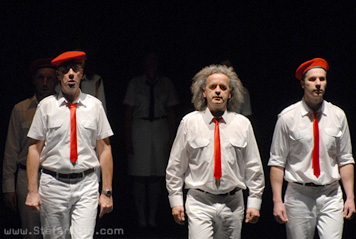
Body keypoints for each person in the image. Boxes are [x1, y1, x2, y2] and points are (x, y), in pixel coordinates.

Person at [166, 64, 265, 238]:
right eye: (213, 87)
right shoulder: (189, 122)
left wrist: (255, 202)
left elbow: (253, 165)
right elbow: (175, 165)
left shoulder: (242, 124)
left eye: (223, 88)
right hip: (199, 201)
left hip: (233, 202)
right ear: (204, 92)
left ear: (230, 93)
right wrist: (175, 201)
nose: (218, 91)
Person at [25, 51, 114, 238]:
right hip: (53, 184)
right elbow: (34, 148)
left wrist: (107, 191)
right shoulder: (47, 106)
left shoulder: (94, 106)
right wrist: (32, 191)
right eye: (65, 71)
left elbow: (105, 148)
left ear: (81, 74)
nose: (71, 74)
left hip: (86, 184)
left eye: (75, 69)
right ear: (58, 76)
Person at [269, 58, 355, 239]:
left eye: (322, 79)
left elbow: (345, 158)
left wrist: (350, 197)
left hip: (331, 193)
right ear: (302, 83)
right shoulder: (287, 117)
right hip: (299, 194)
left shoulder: (338, 115)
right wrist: (277, 200)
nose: (318, 84)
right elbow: (277, 161)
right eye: (312, 79)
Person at [2, 58, 57, 238]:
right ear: (34, 80)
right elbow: (11, 150)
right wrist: (8, 186)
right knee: (31, 233)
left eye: (49, 78)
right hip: (26, 177)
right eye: (41, 78)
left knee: (56, 231)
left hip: (56, 176)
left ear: (56, 79)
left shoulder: (65, 108)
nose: (45, 82)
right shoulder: (20, 109)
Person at [123, 52, 179, 228]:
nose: (151, 63)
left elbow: (171, 111)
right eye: (149, 59)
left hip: (160, 127)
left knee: (156, 174)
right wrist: (128, 138)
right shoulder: (135, 83)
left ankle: (152, 216)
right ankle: (141, 216)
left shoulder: (166, 83)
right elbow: (128, 113)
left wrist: (171, 137)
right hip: (140, 128)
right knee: (140, 175)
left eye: (154, 60)